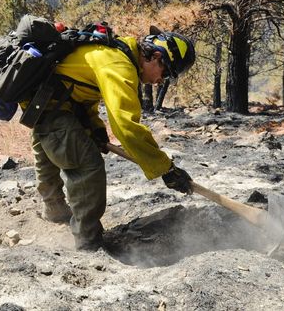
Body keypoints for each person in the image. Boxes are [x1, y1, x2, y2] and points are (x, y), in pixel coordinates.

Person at [28, 25, 196, 251]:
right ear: (156, 57)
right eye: (166, 73)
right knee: (88, 166)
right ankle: (88, 242)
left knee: (50, 148)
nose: (160, 81)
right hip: (52, 108)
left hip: (44, 104)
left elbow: (80, 90)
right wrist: (165, 168)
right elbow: (126, 127)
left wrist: (95, 128)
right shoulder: (120, 65)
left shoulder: (115, 52)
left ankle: (54, 209)